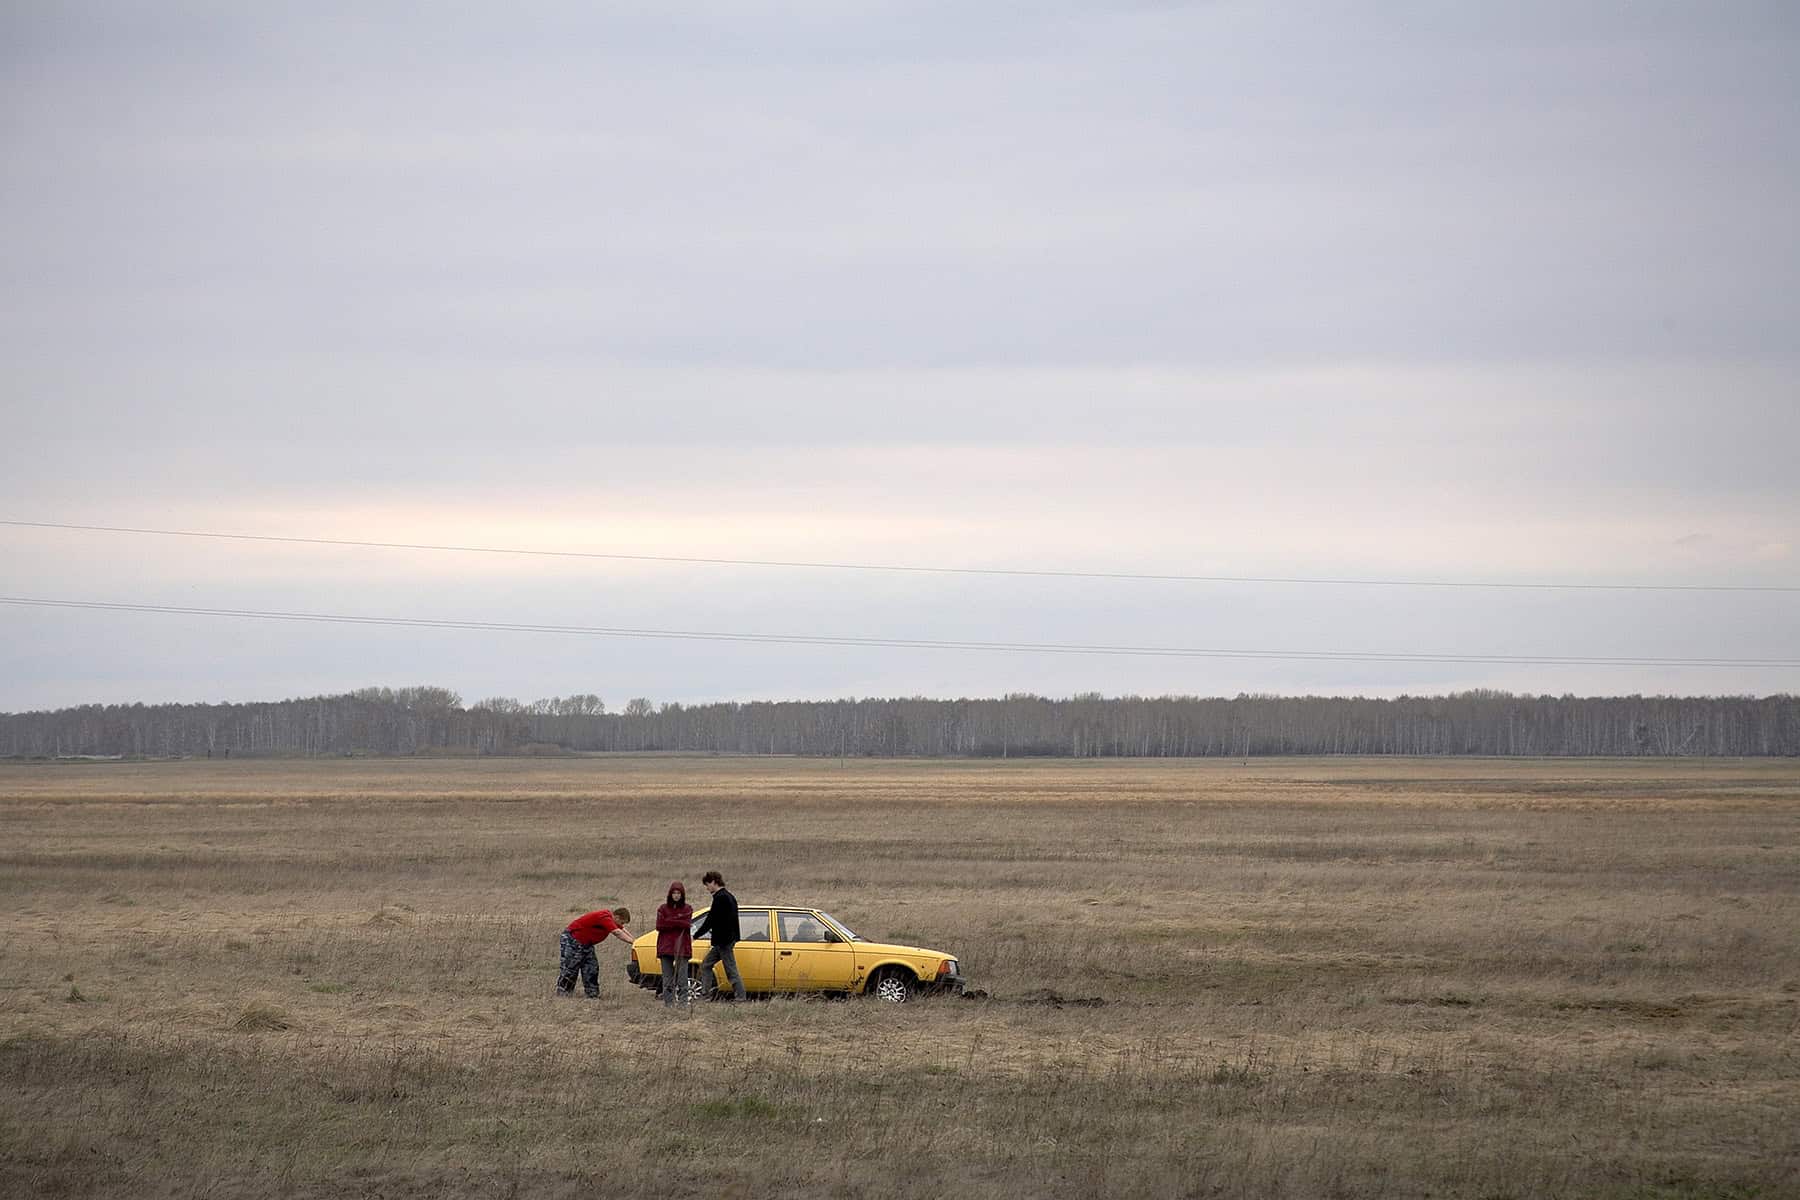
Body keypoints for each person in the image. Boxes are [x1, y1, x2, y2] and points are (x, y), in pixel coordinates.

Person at [556, 905, 634, 999]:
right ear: (617, 917)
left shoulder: (612, 919)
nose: (622, 924)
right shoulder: (604, 917)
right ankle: (564, 993)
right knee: (570, 967)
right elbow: (617, 932)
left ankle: (592, 994)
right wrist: (632, 942)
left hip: (586, 944)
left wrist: (636, 941)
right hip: (573, 940)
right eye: (622, 922)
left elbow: (622, 929)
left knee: (592, 967)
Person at [692, 870, 745, 1000]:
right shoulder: (729, 896)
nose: (707, 888)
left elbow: (710, 920)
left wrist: (695, 935)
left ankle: (740, 996)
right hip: (724, 941)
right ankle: (706, 994)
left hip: (724, 942)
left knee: (731, 970)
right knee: (706, 965)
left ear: (714, 882)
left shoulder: (720, 898)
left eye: (707, 884)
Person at [654, 881, 694, 1011]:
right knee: (667, 978)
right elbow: (660, 926)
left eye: (679, 893)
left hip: (682, 947)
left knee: (682, 977)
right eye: (674, 893)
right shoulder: (662, 908)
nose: (676, 895)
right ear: (670, 894)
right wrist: (678, 921)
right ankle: (668, 1004)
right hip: (666, 947)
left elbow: (687, 924)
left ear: (682, 895)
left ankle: (683, 1003)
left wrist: (669, 921)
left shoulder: (687, 908)